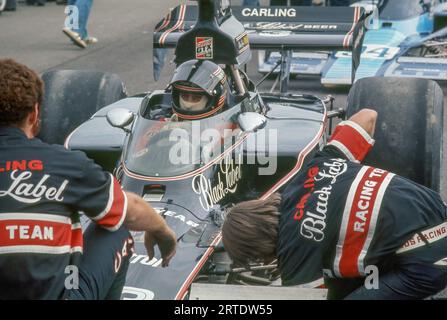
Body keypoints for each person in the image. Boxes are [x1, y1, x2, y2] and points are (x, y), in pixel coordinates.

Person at [222, 109, 447, 299]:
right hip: (437, 209)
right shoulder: (313, 168)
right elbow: (368, 115)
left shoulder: (294, 256)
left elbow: (313, 295)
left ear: (257, 248)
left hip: (429, 260)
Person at [0, 59, 177, 300]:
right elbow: (131, 211)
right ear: (34, 114)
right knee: (116, 229)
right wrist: (164, 232)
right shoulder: (66, 164)